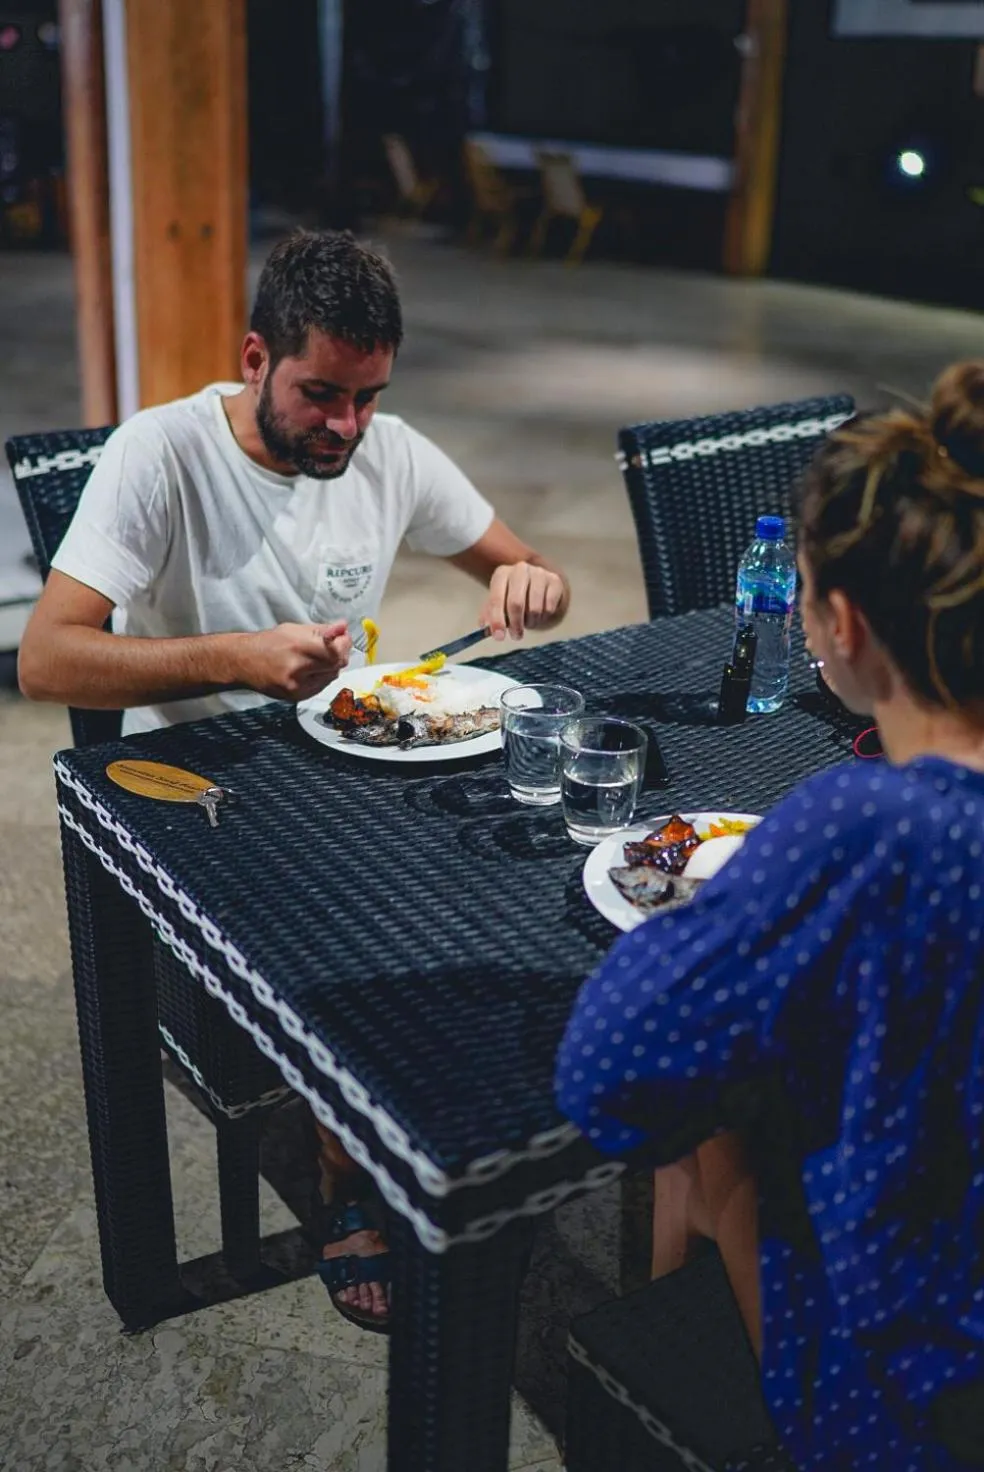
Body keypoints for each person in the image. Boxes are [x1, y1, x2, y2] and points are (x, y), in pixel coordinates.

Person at [20, 228, 570, 1333]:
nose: (348, 429)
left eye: (368, 398)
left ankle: (476, 1132)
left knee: (534, 847)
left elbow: (519, 559)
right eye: (323, 395)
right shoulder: (160, 452)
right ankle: (359, 1176)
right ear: (256, 354)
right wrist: (233, 655)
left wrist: (530, 586)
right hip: (199, 782)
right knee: (367, 913)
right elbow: (47, 657)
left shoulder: (391, 450)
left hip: (349, 759)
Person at [556, 363, 984, 1470]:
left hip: (915, 1406)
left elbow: (605, 1072)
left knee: (723, 1120)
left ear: (841, 620)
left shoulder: (870, 826)